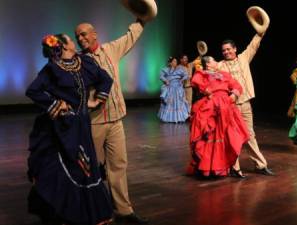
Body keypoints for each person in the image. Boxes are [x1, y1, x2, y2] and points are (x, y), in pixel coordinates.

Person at [26, 34, 113, 225]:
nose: (75, 42)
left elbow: (105, 78)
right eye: (70, 40)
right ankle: (65, 211)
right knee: (69, 166)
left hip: (82, 124)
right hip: (63, 126)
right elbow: (33, 90)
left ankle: (87, 212)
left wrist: (98, 99)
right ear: (64, 46)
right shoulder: (52, 69)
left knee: (86, 167)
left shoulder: (84, 63)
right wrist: (57, 104)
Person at [75, 19, 149, 224]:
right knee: (91, 170)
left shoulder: (110, 50)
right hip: (95, 123)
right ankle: (92, 211)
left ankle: (124, 211)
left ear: (94, 34)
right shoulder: (79, 61)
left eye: (84, 34)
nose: (81, 39)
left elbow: (130, 36)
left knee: (118, 166)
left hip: (116, 120)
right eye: (78, 36)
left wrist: (142, 17)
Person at [218, 35, 275, 177]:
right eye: (224, 50)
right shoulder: (220, 66)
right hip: (231, 106)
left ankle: (260, 165)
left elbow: (254, 44)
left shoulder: (243, 58)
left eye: (228, 49)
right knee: (232, 137)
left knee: (249, 135)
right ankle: (234, 167)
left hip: (245, 104)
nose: (226, 52)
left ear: (235, 49)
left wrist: (260, 31)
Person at [187, 56, 249, 177]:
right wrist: (206, 90)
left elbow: (236, 85)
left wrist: (234, 95)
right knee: (210, 136)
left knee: (228, 136)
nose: (217, 62)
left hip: (226, 105)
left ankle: (226, 168)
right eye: (214, 60)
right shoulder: (202, 73)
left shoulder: (224, 74)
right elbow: (196, 80)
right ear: (208, 64)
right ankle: (208, 169)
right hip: (211, 105)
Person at [158, 56, 190, 122]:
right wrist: (165, 80)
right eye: (174, 61)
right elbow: (161, 76)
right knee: (170, 103)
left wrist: (181, 80)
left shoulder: (179, 69)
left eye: (176, 61)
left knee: (179, 102)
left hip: (178, 88)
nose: (175, 62)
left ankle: (179, 118)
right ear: (170, 63)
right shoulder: (166, 69)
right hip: (170, 88)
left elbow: (186, 75)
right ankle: (169, 118)